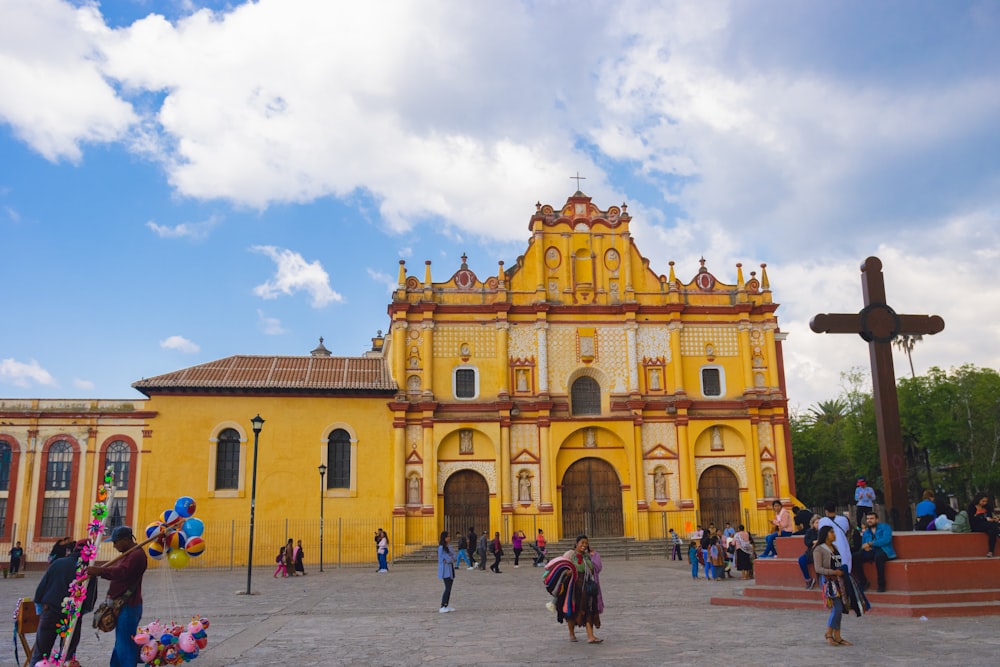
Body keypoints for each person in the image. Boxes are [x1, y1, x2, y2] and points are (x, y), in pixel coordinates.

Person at [31, 540, 97, 666]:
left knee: (41, 653)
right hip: (72, 616)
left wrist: (40, 608)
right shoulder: (89, 570)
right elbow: (91, 599)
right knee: (67, 655)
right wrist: (81, 611)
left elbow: (41, 589)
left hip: (50, 611)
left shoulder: (58, 563)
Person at [88, 526, 148, 667]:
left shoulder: (136, 555)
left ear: (126, 540)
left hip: (128, 605)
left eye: (116, 542)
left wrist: (100, 571)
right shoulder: (128, 554)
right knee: (121, 642)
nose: (114, 546)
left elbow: (121, 572)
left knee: (125, 644)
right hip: (120, 606)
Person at [813, 525, 851, 646]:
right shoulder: (818, 550)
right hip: (828, 581)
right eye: (831, 532)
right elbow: (818, 568)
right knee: (837, 607)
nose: (834, 534)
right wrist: (833, 572)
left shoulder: (834, 547)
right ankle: (829, 633)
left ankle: (837, 635)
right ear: (825, 534)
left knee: (840, 608)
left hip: (838, 580)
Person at [561, 535, 603, 643]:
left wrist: (594, 555)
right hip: (574, 587)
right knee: (572, 610)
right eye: (582, 543)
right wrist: (568, 572)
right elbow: (562, 568)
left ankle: (591, 636)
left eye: (586, 543)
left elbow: (597, 569)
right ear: (576, 543)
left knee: (589, 609)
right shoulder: (570, 554)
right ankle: (571, 633)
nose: (584, 545)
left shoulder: (587, 556)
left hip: (587, 588)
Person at [853, 510, 896, 592]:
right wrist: (865, 547)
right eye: (868, 519)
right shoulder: (866, 532)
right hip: (871, 551)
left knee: (878, 557)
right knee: (855, 557)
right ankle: (863, 582)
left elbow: (886, 540)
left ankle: (881, 584)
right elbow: (864, 543)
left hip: (884, 550)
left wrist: (871, 544)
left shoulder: (885, 527)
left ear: (877, 519)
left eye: (872, 518)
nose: (869, 520)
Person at [817, 501, 853, 575]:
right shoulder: (843, 519)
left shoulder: (822, 521)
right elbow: (846, 529)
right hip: (842, 544)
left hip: (829, 545)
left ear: (826, 511)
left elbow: (821, 532)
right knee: (845, 563)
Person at [797, 514, 820, 589]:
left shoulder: (823, 531)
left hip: (820, 553)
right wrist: (813, 542)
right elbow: (806, 541)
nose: (818, 524)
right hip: (810, 552)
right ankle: (808, 580)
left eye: (820, 522)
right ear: (813, 524)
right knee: (801, 560)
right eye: (817, 523)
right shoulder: (810, 531)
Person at [437, 530, 456, 613]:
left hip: (450, 569)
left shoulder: (449, 546)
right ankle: (442, 605)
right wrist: (450, 558)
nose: (449, 538)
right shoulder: (441, 548)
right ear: (444, 538)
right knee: (447, 588)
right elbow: (444, 559)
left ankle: (446, 605)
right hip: (445, 571)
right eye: (448, 536)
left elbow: (454, 556)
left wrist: (450, 558)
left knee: (449, 588)